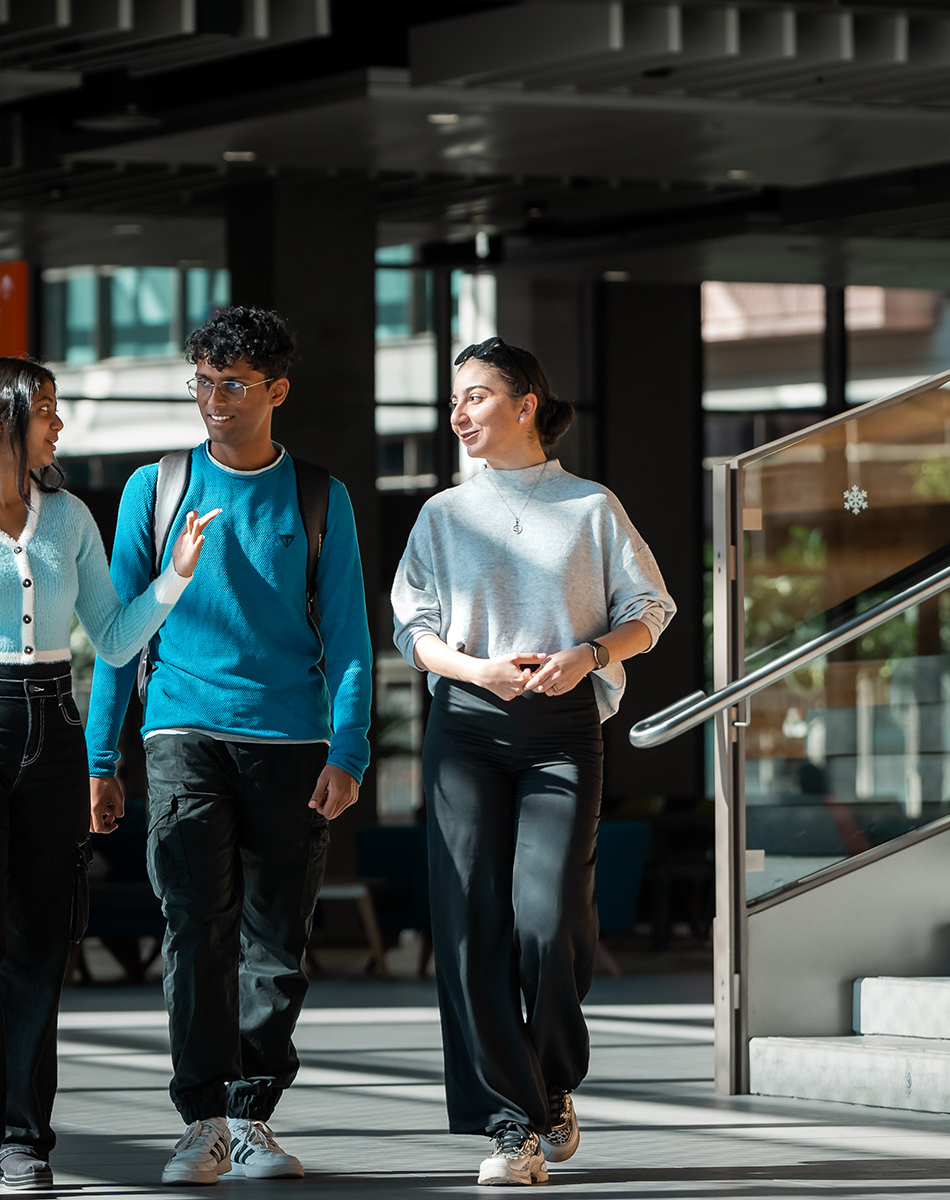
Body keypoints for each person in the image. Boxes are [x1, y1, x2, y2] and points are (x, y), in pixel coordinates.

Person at [0, 357, 216, 1193]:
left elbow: (116, 637)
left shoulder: (69, 519)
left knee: (37, 943)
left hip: (53, 725)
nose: (60, 426)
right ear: (1, 414)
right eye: (48, 410)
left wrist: (174, 578)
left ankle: (25, 1140)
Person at [84, 305, 373, 1187]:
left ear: (276, 390)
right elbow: (117, 634)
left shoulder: (320, 495)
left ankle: (253, 1118)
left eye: (234, 385)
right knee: (194, 930)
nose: (214, 399)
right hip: (182, 730)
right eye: (202, 382)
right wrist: (102, 757)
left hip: (292, 737)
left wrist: (350, 751)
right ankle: (202, 1119)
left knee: (277, 939)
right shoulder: (155, 488)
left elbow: (354, 640)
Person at [390, 337, 675, 1187]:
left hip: (561, 729)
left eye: (476, 396)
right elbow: (413, 628)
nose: (459, 414)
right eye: (453, 400)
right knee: (471, 923)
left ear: (525, 405)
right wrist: (475, 669)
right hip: (467, 724)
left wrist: (589, 655)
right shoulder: (442, 513)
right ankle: (512, 1124)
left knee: (548, 921)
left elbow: (651, 607)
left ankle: (550, 1082)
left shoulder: (591, 507)